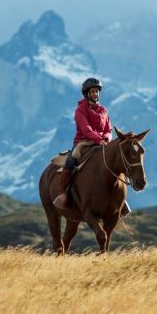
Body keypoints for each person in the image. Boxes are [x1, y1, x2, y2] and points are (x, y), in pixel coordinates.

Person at [54, 77, 127, 214]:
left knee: (116, 162)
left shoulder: (104, 110)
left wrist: (105, 138)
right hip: (83, 143)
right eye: (93, 91)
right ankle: (63, 194)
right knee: (71, 160)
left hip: (102, 143)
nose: (95, 94)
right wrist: (98, 139)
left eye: (97, 91)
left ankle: (120, 199)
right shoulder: (80, 109)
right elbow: (86, 129)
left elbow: (108, 129)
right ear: (87, 93)